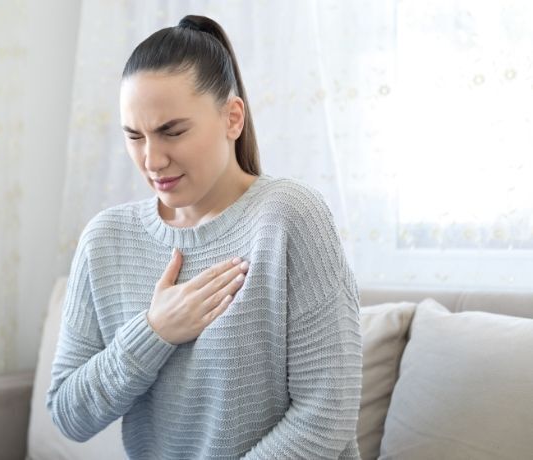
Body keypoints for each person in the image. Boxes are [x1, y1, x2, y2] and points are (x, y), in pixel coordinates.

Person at [46, 14, 363, 459]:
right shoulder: (105, 241)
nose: (152, 159)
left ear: (232, 118)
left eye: (172, 131)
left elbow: (327, 416)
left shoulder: (290, 218)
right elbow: (67, 414)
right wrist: (154, 332)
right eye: (134, 136)